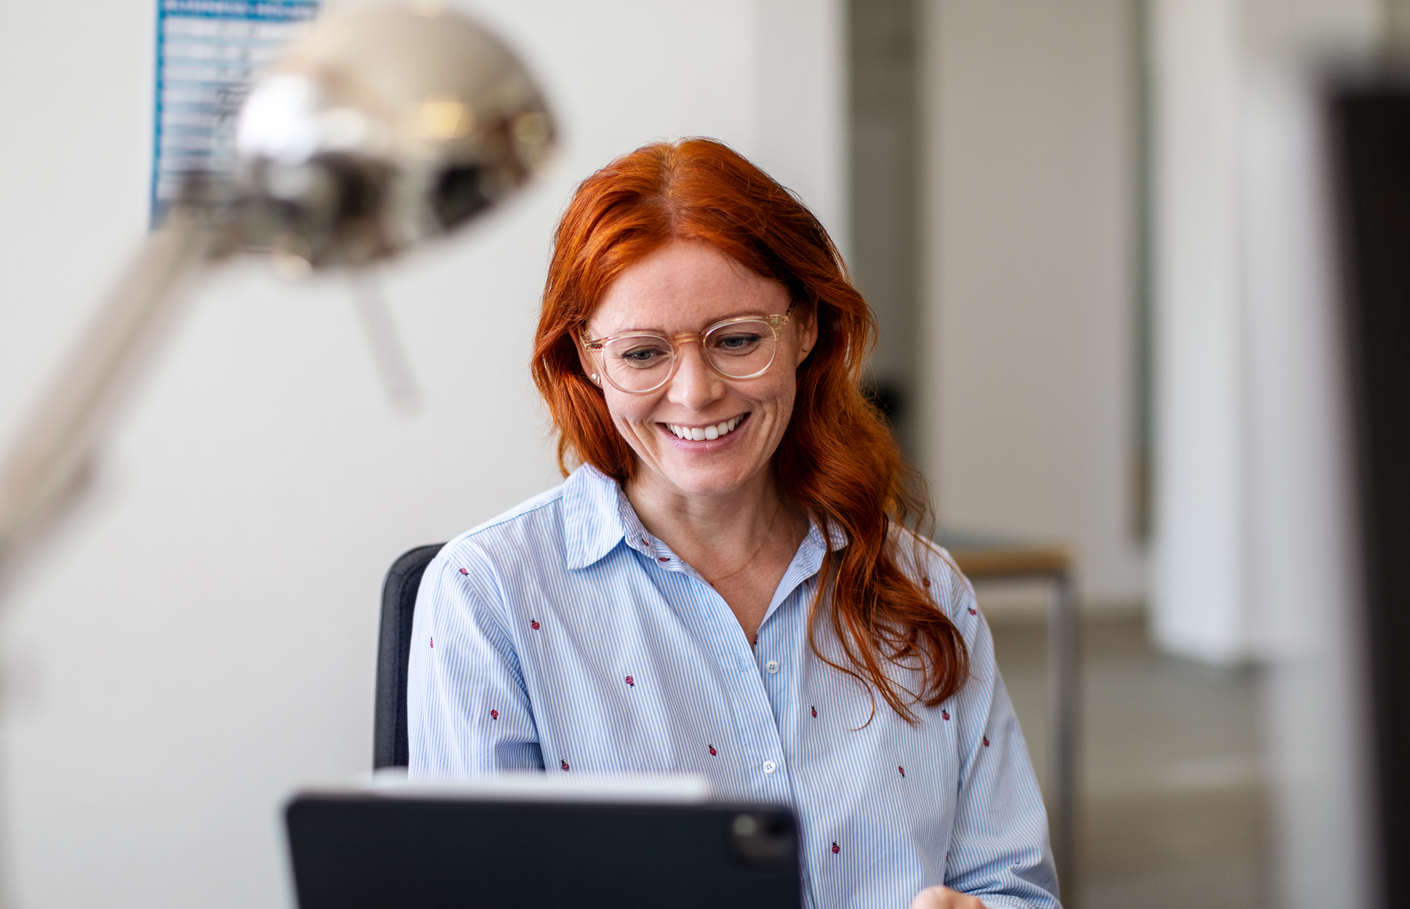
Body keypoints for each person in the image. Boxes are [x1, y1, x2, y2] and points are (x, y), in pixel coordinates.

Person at [408, 139, 1060, 909]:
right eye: (644, 353)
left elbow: (1016, 887)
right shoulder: (486, 597)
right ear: (587, 361)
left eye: (740, 340)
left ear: (806, 329)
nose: (695, 394)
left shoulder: (924, 586)